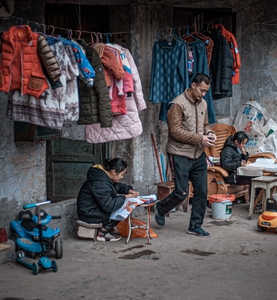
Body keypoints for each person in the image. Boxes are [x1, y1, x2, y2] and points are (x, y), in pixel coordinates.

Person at [154, 73, 217, 237]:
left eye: (206, 92)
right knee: (181, 192)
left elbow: (206, 125)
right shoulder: (177, 104)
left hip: (199, 155)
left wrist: (210, 134)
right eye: (201, 91)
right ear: (193, 85)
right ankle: (161, 207)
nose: (203, 95)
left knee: (202, 192)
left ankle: (195, 225)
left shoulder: (203, 103)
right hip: (180, 153)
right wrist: (200, 138)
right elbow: (175, 132)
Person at [77, 157, 140, 242]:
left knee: (122, 203)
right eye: (122, 174)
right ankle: (103, 232)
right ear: (113, 172)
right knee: (125, 207)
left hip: (92, 210)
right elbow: (109, 206)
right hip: (89, 214)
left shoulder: (104, 177)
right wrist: (126, 197)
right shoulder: (100, 183)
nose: (122, 177)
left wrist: (129, 190)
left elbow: (115, 186)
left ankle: (106, 228)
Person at [220, 131, 258, 204]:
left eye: (245, 144)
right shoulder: (227, 150)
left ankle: (257, 201)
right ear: (236, 142)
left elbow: (243, 161)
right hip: (232, 176)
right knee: (253, 180)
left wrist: (245, 155)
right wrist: (239, 164)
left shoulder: (237, 149)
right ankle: (254, 202)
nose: (243, 146)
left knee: (257, 176)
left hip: (238, 172)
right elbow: (226, 165)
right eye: (243, 143)